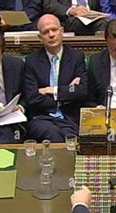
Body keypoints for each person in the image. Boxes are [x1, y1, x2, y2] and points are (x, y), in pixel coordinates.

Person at [24, 14, 88, 142]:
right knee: (53, 134)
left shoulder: (76, 58)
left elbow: (82, 92)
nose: (51, 35)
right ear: (40, 38)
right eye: (46, 32)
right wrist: (66, 95)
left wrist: (52, 91)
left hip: (69, 118)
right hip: (42, 118)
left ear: (62, 31)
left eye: (54, 30)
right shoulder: (31, 61)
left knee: (69, 137)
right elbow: (32, 98)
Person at [43, 0, 107, 35]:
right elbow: (49, 5)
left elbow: (97, 8)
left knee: (105, 23)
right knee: (101, 24)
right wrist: (70, 10)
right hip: (68, 19)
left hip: (91, 18)